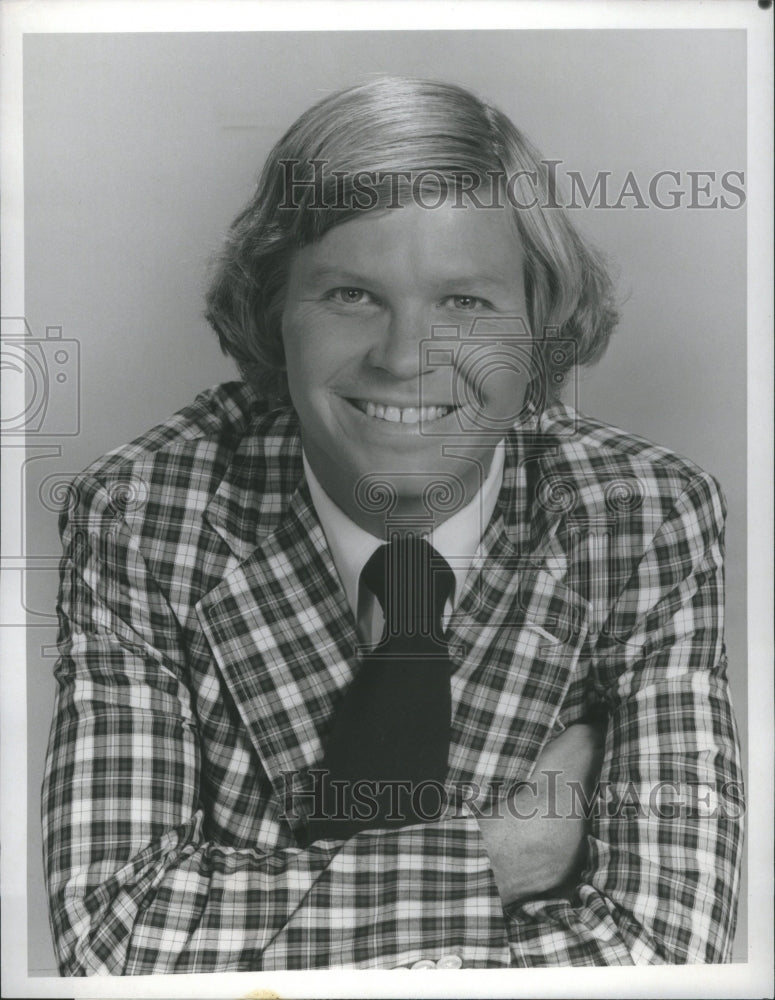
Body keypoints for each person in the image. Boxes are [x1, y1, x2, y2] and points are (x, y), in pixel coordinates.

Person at [41, 77, 744, 973]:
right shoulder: (142, 514)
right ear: (273, 312)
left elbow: (662, 951)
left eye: (464, 303)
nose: (406, 356)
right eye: (350, 295)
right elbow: (116, 946)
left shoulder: (645, 518)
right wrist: (491, 859)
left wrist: (251, 917)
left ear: (539, 327)